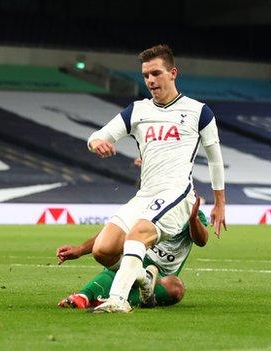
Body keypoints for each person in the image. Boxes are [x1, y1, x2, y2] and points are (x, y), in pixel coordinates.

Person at [86, 44, 226, 313]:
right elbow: (97, 136)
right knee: (103, 250)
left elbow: (215, 159)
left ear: (173, 73)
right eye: (146, 75)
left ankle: (118, 300)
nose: (150, 80)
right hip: (146, 194)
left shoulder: (199, 112)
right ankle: (143, 277)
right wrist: (97, 144)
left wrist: (220, 202)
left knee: (137, 234)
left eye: (156, 73)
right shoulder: (137, 110)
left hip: (177, 194)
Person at [57, 195, 209, 309]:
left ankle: (105, 297)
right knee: (121, 263)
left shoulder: (192, 214)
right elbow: (116, 232)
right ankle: (83, 296)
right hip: (135, 258)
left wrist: (192, 218)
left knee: (176, 288)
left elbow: (202, 240)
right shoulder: (151, 206)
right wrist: (80, 250)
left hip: (160, 276)